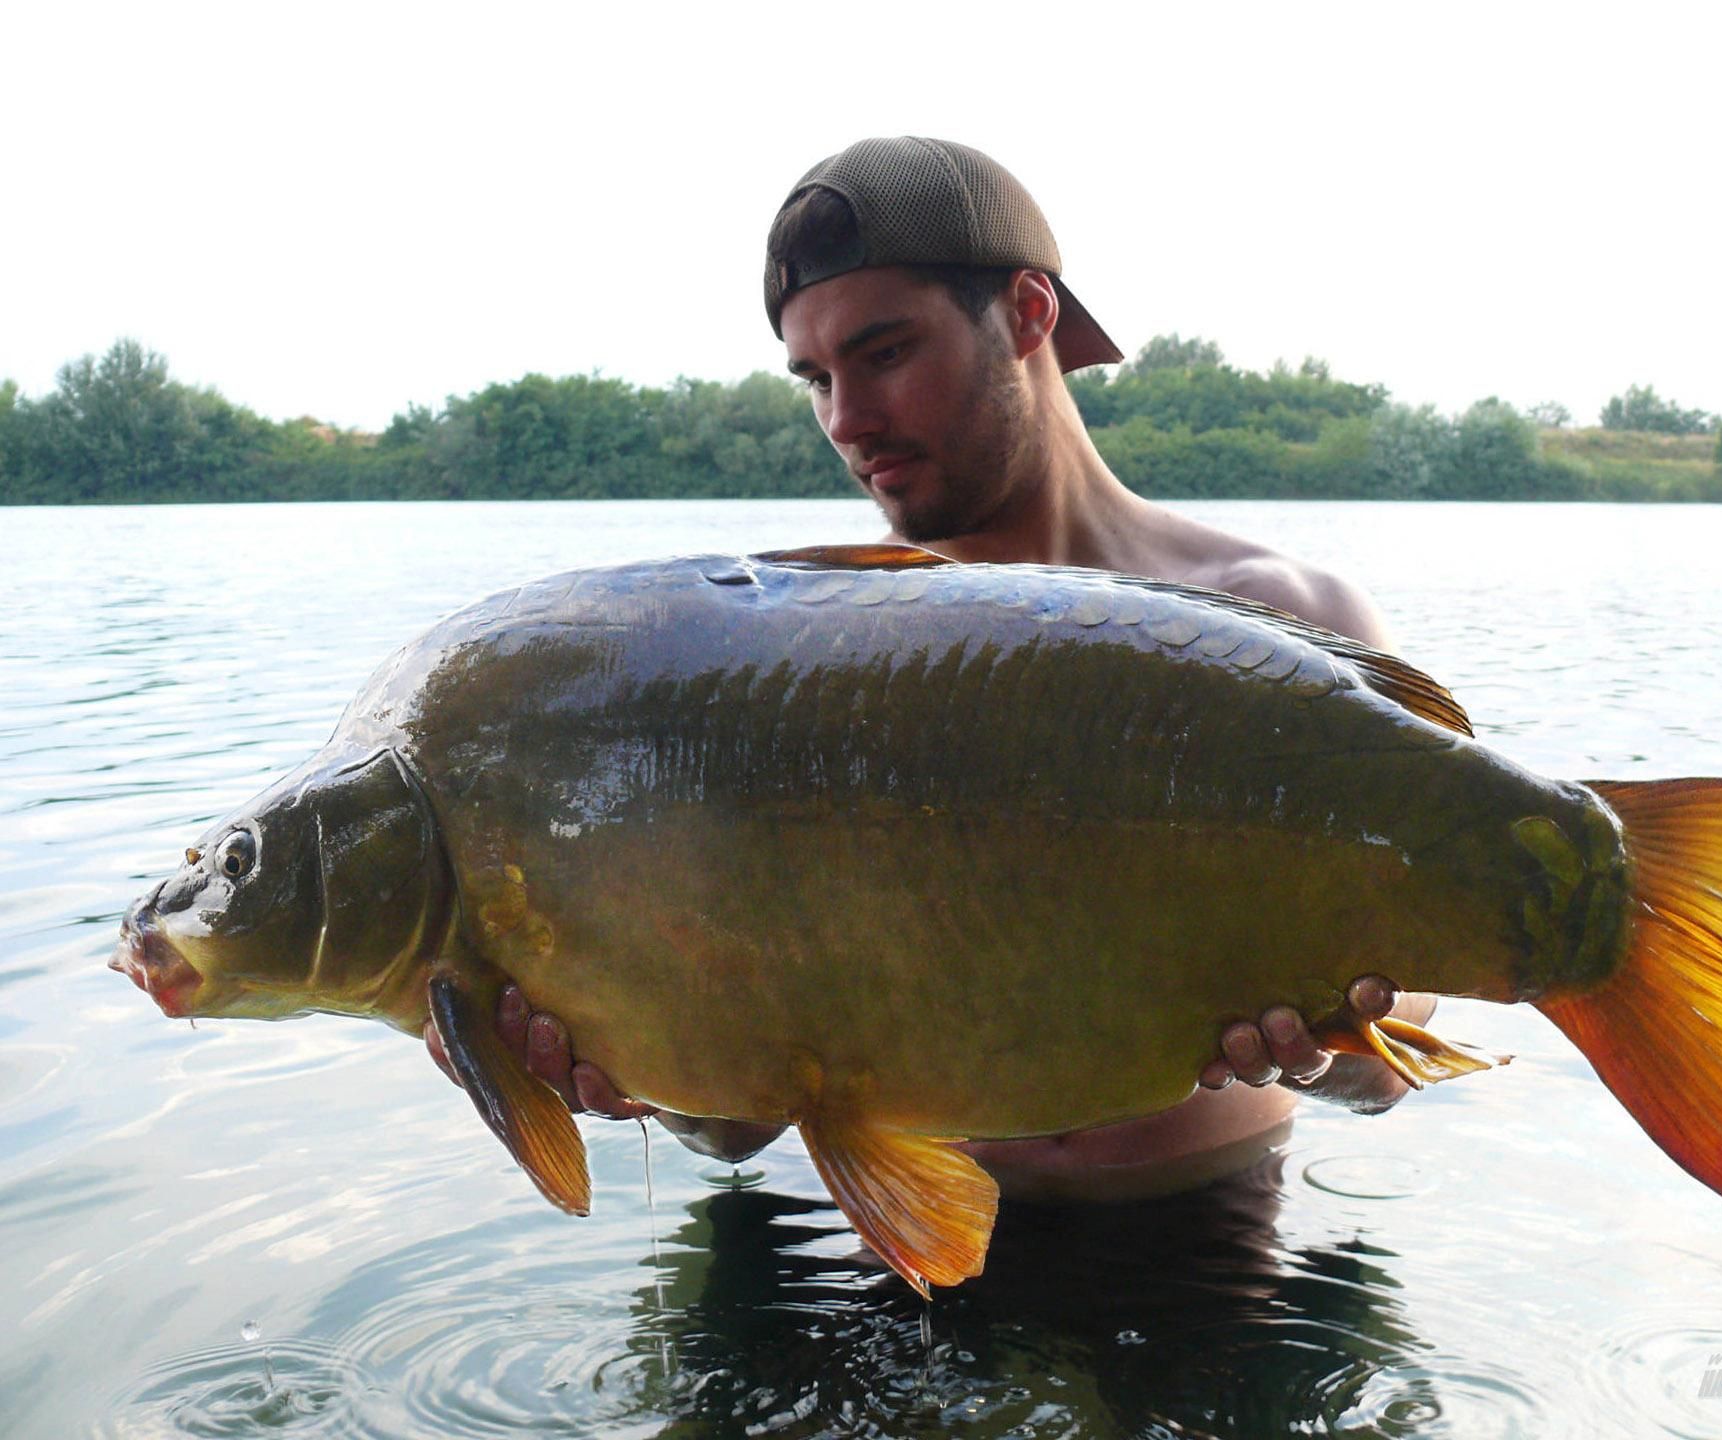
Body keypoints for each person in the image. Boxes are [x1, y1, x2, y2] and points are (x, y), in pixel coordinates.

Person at [427, 136, 1435, 1203]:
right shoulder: (800, 674)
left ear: (1029, 313)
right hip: (878, 1256)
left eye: (886, 353)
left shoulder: (1286, 624)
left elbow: (1395, 1070)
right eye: (815, 378)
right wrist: (629, 1066)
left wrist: (1336, 1043)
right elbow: (730, 1141)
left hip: (1198, 1243)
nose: (847, 421)